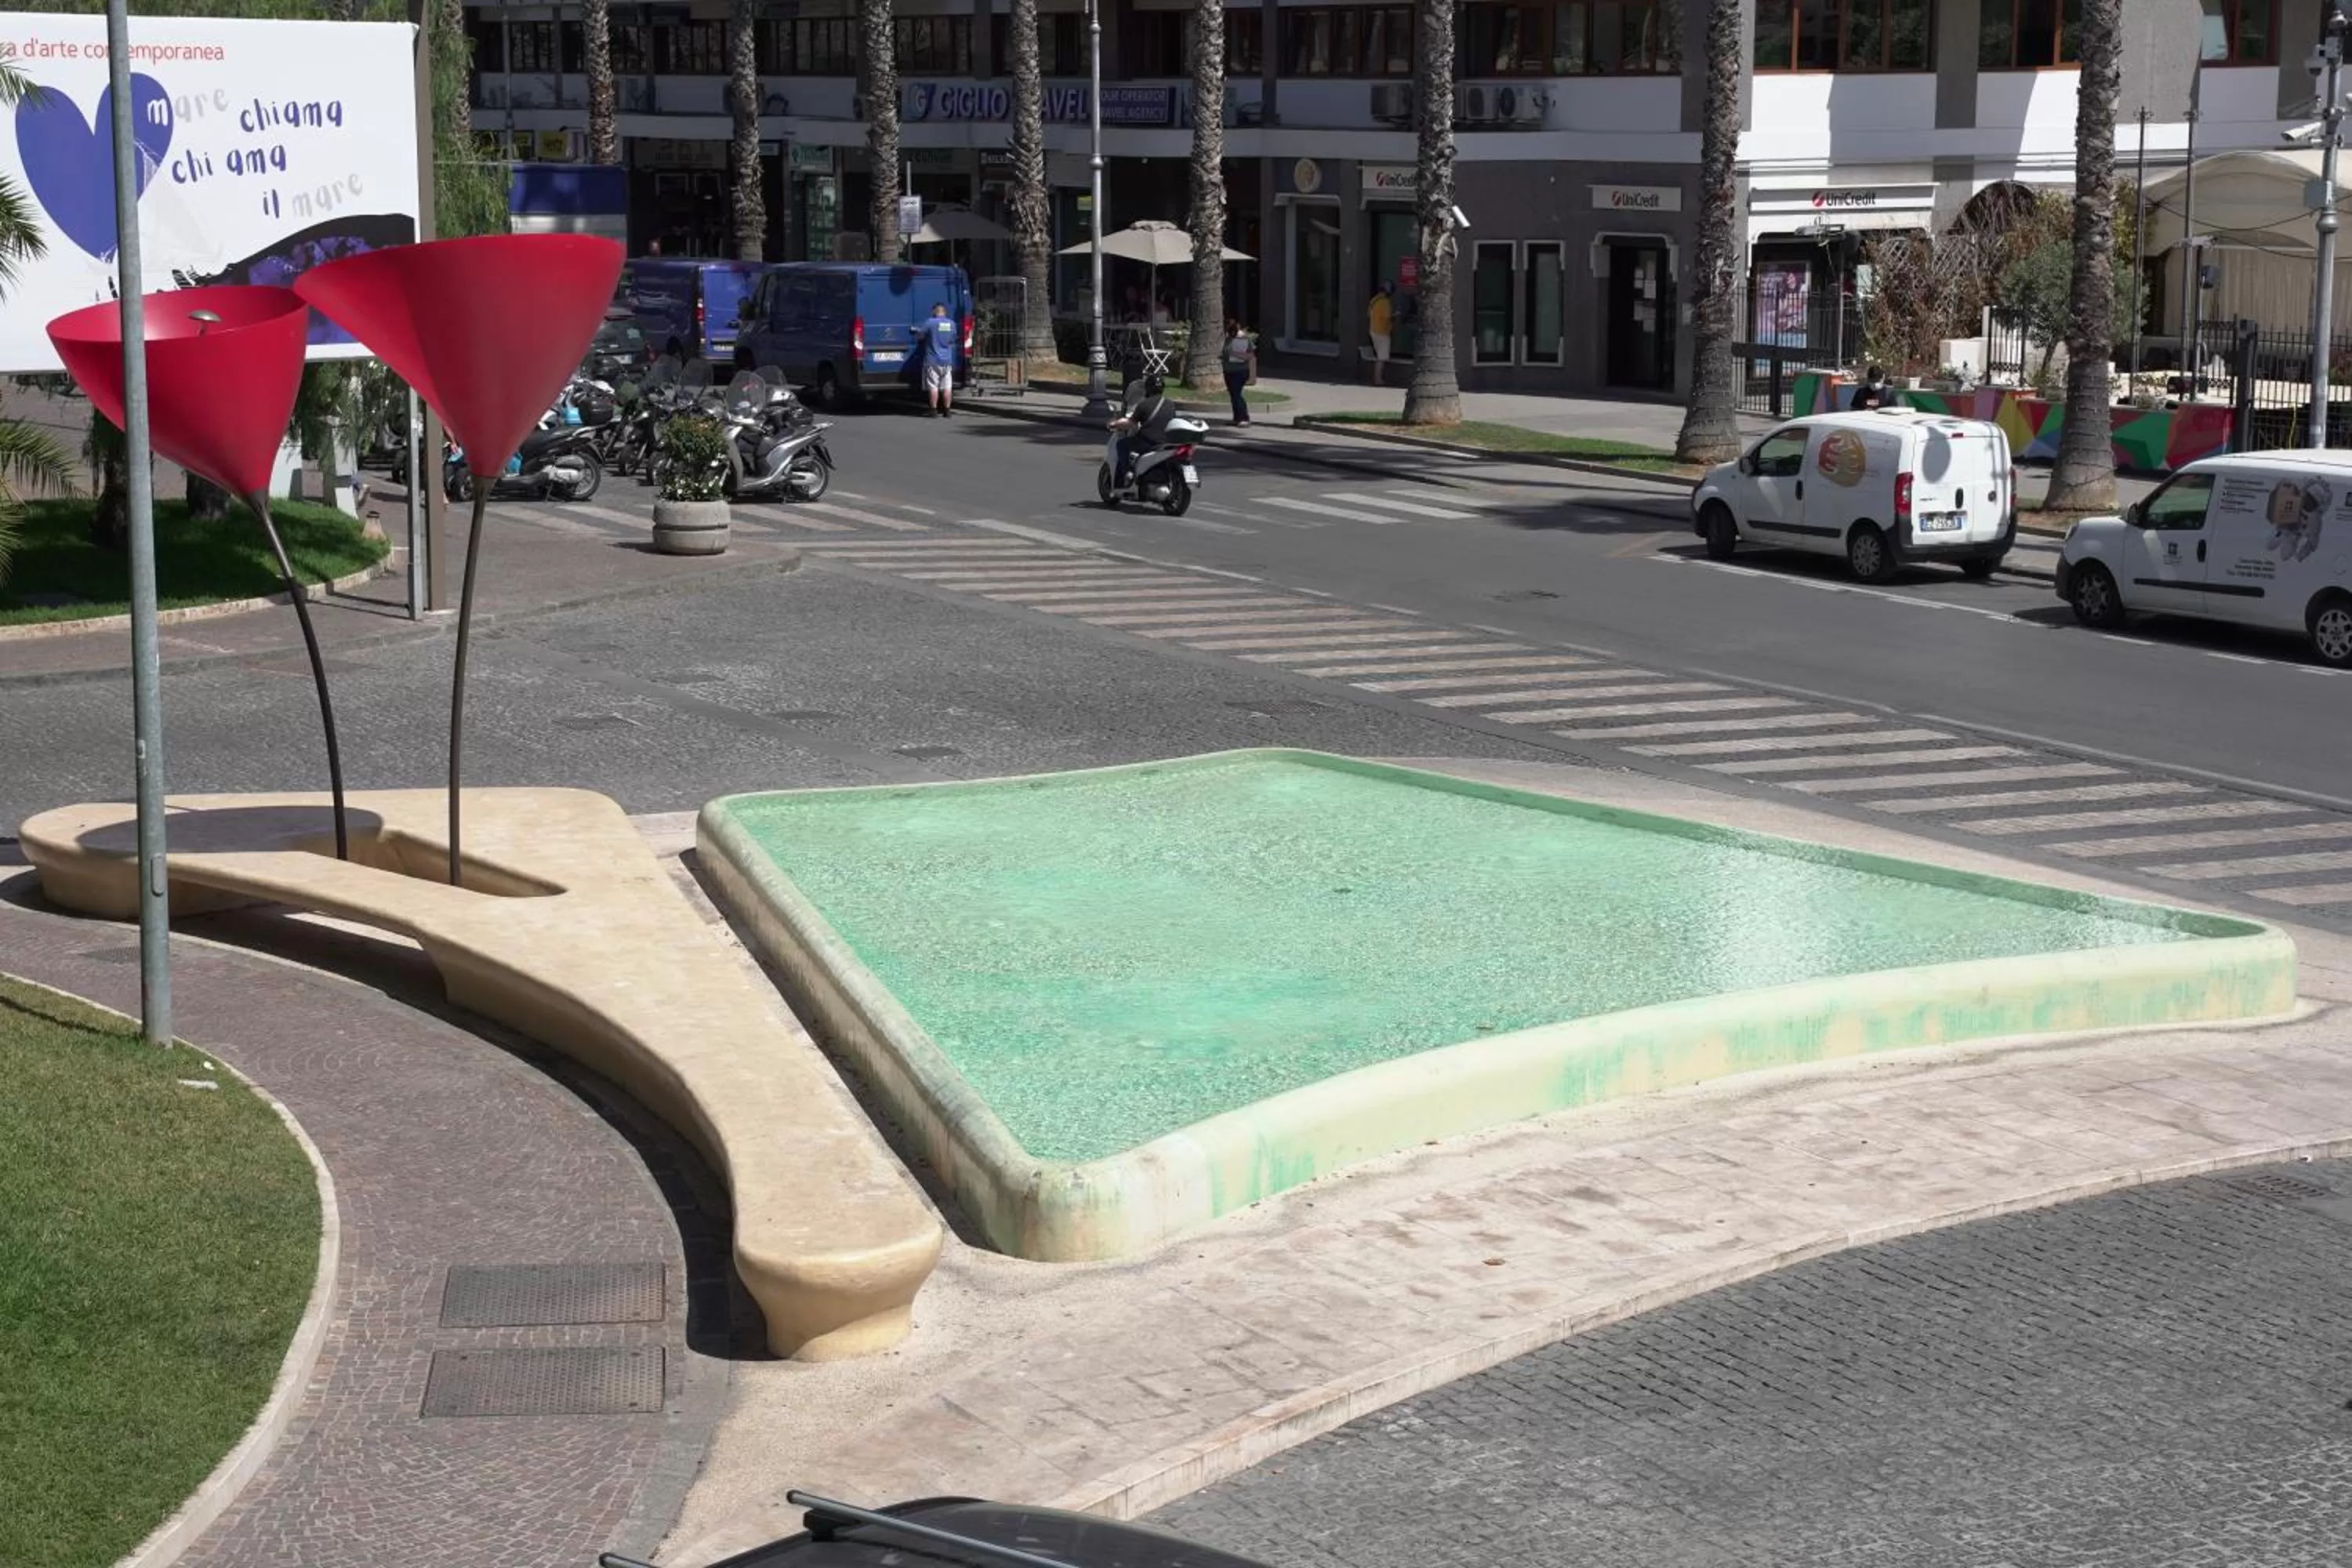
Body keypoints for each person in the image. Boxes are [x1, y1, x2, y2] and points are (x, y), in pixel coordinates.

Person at [1110, 372, 1176, 489]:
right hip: (1166, 443)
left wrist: (1115, 423)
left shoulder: (1144, 405)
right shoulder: (1170, 404)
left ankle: (1128, 473)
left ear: (1148, 388)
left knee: (1122, 445)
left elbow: (1131, 423)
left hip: (1148, 442)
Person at [919, 301, 960, 418]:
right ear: (945, 312)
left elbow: (920, 335)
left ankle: (933, 410)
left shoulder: (930, 322)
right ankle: (947, 410)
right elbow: (953, 339)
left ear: (934, 312)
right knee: (947, 387)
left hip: (933, 360)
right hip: (947, 361)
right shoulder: (952, 324)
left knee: (933, 386)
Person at [1221, 318, 1255, 427]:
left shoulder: (1243, 339)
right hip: (1228, 371)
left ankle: (1244, 418)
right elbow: (1226, 352)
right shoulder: (1228, 339)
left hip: (1240, 371)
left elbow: (1250, 356)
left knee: (1237, 395)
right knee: (1233, 395)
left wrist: (1234, 354)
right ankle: (1237, 418)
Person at [1367, 282, 1395, 387]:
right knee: (1381, 358)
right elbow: (1387, 317)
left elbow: (1369, 314)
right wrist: (1396, 316)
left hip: (1373, 330)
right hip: (1382, 332)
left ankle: (1378, 378)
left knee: (1379, 356)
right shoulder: (1385, 302)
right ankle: (1378, 379)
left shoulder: (1374, 300)